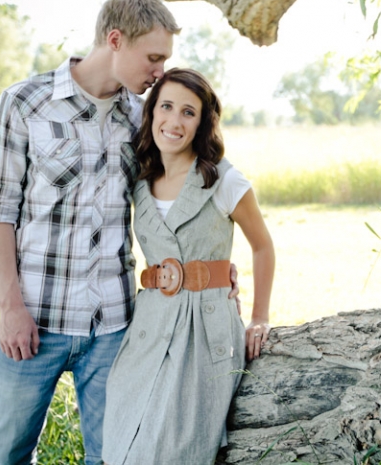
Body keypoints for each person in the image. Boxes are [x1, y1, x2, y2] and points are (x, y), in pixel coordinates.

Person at [0, 0, 238, 465]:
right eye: (154, 58)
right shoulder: (24, 103)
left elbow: (184, 189)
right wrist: (11, 309)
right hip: (35, 320)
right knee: (10, 455)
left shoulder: (143, 119)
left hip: (114, 327)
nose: (159, 72)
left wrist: (214, 271)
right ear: (115, 40)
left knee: (113, 456)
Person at [102, 68, 275, 465]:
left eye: (188, 112)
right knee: (122, 434)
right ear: (151, 113)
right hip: (150, 323)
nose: (174, 121)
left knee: (175, 444)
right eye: (166, 107)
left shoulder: (224, 179)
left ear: (202, 123)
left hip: (204, 326)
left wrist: (260, 317)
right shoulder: (140, 179)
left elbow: (263, 246)